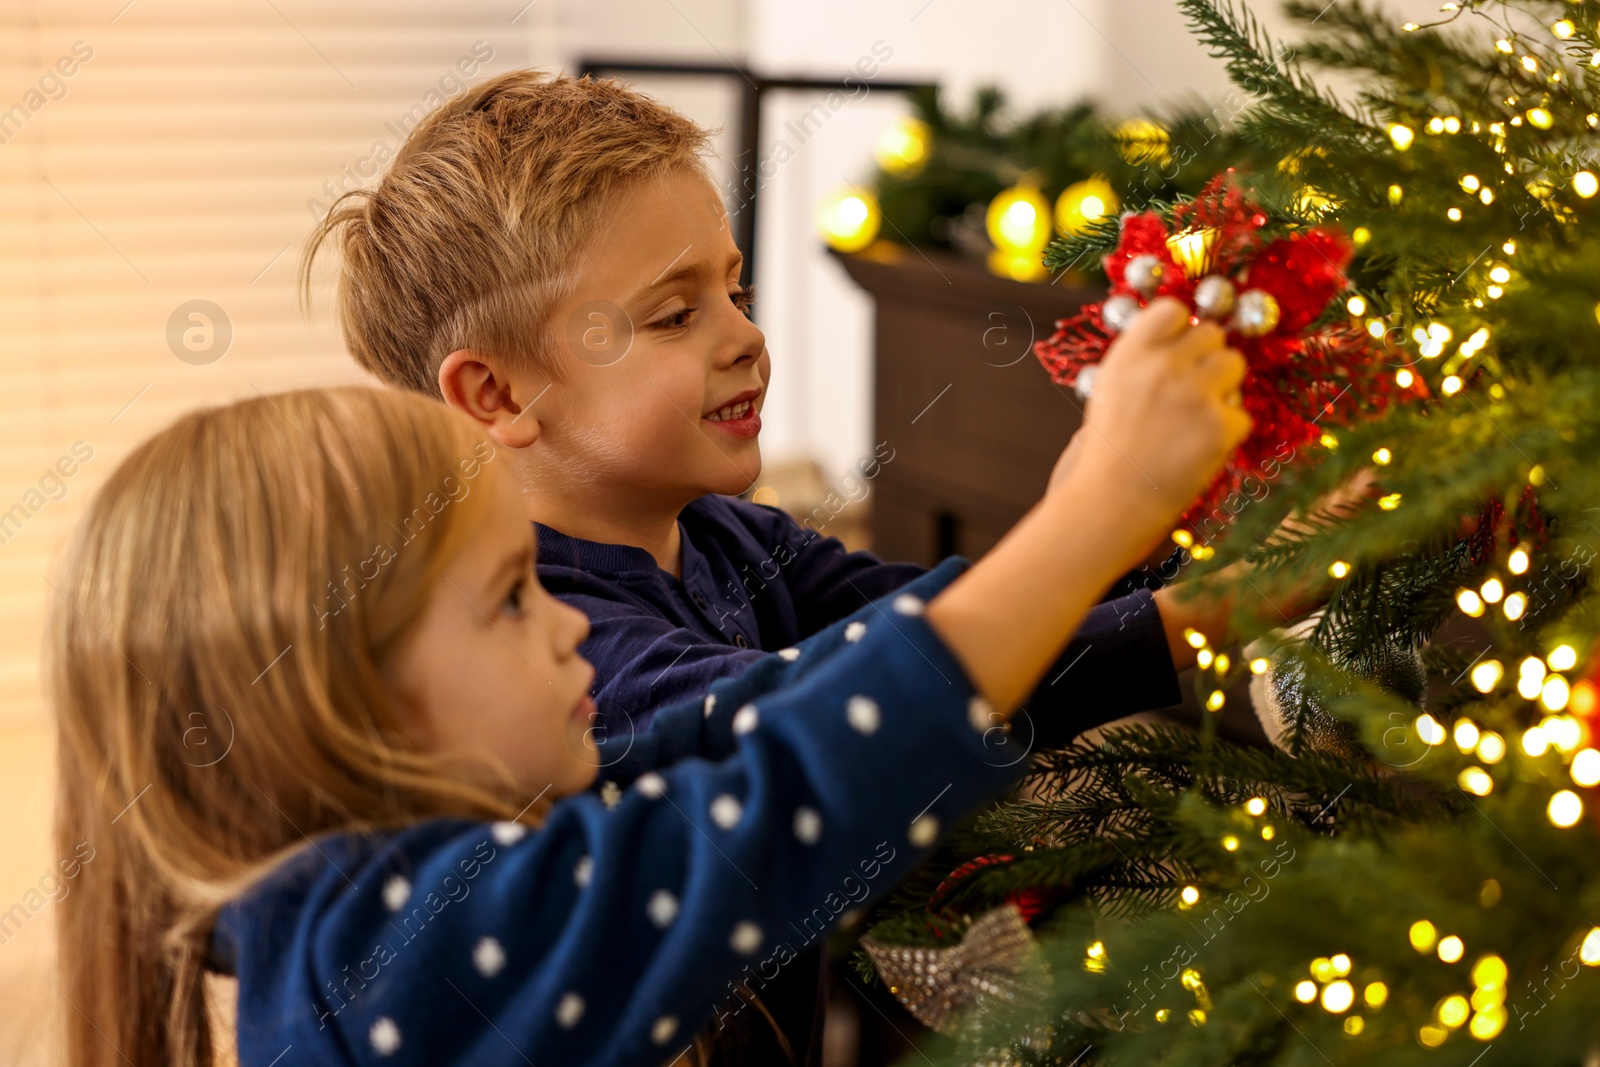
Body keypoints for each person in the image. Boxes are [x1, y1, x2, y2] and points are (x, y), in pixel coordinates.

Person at [51, 302, 1247, 1066]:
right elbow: (779, 789)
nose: (563, 626)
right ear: (339, 696)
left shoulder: (385, 896)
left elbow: (742, 738)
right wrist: (1094, 515)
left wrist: (1126, 557)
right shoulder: (386, 952)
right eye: (512, 598)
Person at [303, 69, 1263, 746]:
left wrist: (1181, 532)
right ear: (498, 394)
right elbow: (851, 720)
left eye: (737, 294)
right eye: (676, 315)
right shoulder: (548, 640)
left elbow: (942, 620)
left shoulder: (735, 539)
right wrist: (1198, 587)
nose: (745, 339)